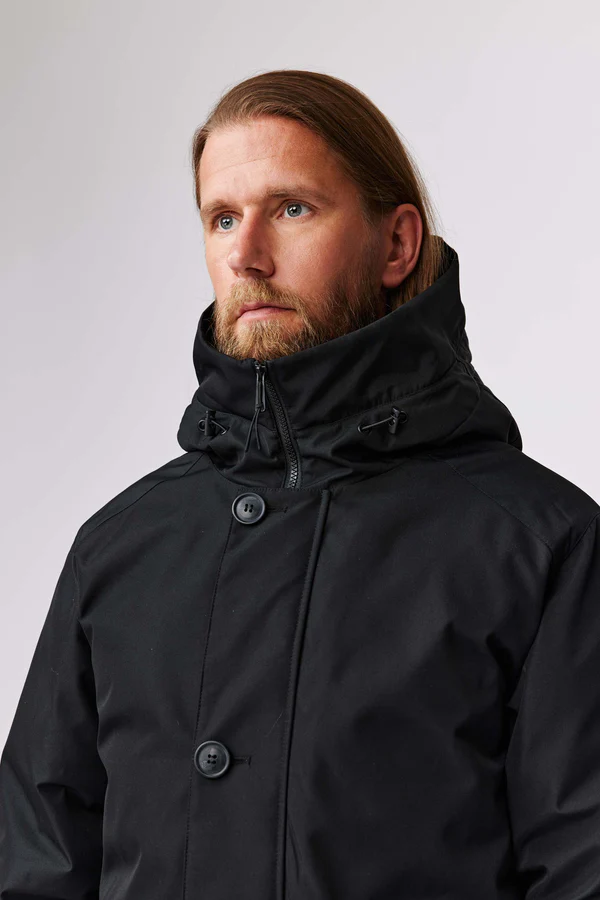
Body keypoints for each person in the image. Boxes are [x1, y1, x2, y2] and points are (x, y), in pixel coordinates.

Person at [1, 68, 599, 900]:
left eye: (291, 209)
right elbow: (36, 866)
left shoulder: (539, 545)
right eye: (222, 218)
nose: (246, 255)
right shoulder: (120, 549)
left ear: (397, 245)